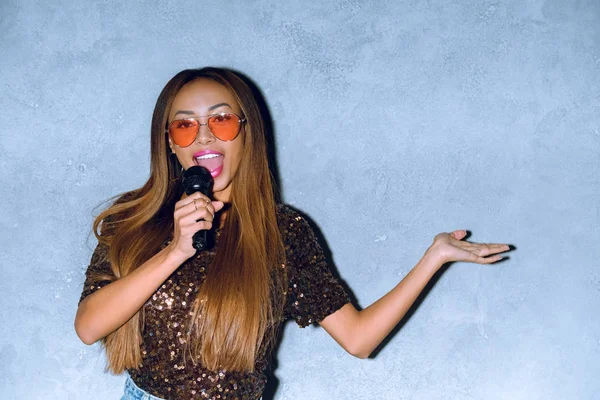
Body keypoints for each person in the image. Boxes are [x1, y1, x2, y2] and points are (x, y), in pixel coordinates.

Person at [74, 67, 512, 400]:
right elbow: (89, 327)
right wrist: (174, 251)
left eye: (222, 120)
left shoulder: (284, 233)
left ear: (246, 134)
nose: (204, 133)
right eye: (185, 124)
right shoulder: (131, 221)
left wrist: (433, 257)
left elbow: (359, 339)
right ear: (170, 142)